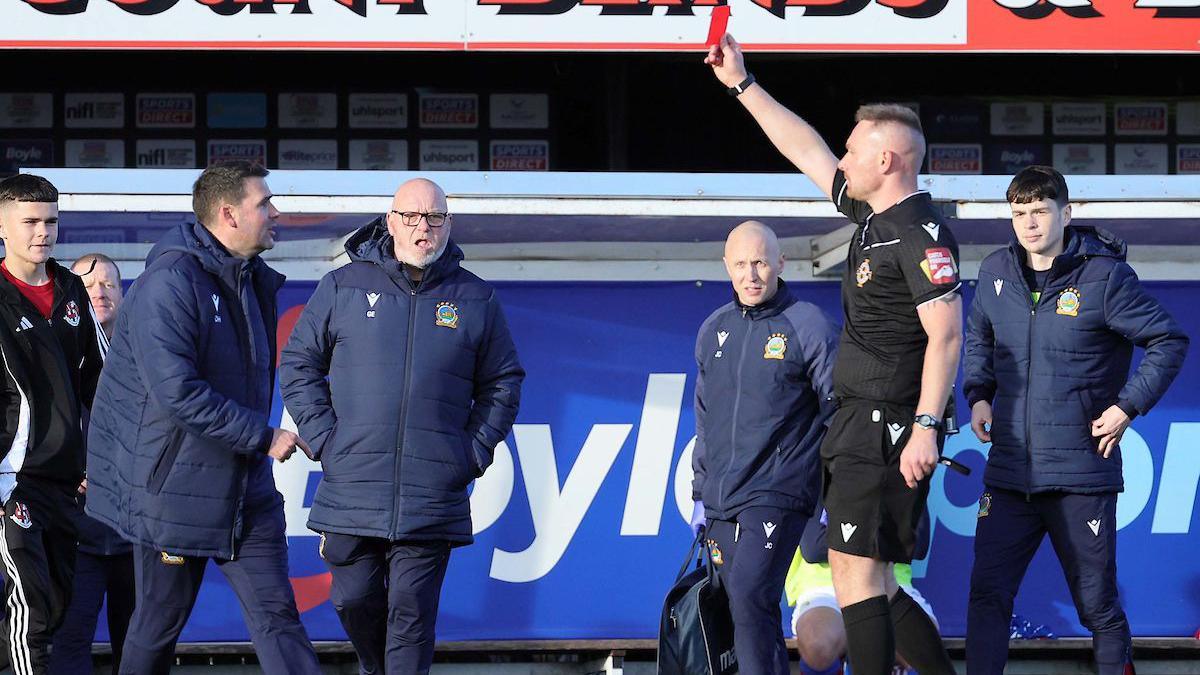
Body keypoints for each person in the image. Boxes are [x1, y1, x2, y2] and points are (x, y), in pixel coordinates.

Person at [706, 34, 960, 675]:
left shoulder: (918, 232)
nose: (843, 159)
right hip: (857, 421)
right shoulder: (874, 219)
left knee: (856, 578)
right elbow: (807, 149)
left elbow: (947, 335)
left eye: (855, 150)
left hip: (888, 423)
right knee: (867, 577)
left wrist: (926, 425)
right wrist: (742, 85)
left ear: (889, 160)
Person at [84, 161, 321, 675]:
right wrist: (262, 436)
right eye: (265, 203)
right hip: (177, 496)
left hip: (246, 493)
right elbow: (178, 393)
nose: (275, 212)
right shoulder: (169, 282)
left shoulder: (252, 278)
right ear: (229, 213)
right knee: (156, 626)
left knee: (279, 620)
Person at [279, 177, 524, 675]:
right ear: (390, 221)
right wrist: (327, 438)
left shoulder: (474, 298)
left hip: (432, 490)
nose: (423, 228)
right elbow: (298, 363)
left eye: (434, 218)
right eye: (411, 216)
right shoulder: (343, 286)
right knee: (353, 599)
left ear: (448, 225)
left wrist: (472, 452)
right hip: (353, 482)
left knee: (411, 613)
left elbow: (503, 381)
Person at [963, 165, 1188, 675]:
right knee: (987, 596)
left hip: (1079, 476)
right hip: (1009, 475)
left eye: (1040, 212)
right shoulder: (996, 272)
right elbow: (980, 336)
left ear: (1067, 213)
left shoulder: (1105, 277)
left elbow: (1168, 341)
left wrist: (1127, 406)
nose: (1030, 224)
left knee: (1097, 608)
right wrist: (978, 394)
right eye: (1019, 213)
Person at [689, 220, 839, 675]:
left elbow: (840, 411)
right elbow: (705, 416)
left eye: (759, 262)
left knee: (753, 597)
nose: (750, 274)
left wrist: (835, 489)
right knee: (742, 607)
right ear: (726, 267)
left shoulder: (808, 323)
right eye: (740, 264)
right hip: (721, 498)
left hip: (779, 489)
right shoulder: (713, 328)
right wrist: (700, 493)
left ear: (780, 262)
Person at [0, 174, 105, 674]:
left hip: (66, 481)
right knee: (33, 608)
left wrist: (99, 459)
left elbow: (102, 386)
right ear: (2, 225)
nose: (43, 232)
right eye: (31, 222)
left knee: (54, 608)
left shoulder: (70, 289)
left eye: (51, 221)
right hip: (11, 480)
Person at [48, 253, 135, 675]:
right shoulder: (54, 356)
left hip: (135, 531)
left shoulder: (147, 360)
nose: (99, 292)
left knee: (139, 645)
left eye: (109, 285)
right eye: (88, 286)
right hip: (74, 531)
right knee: (69, 642)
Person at [786, 501, 936, 675]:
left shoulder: (900, 473)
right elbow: (814, 548)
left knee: (918, 645)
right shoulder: (817, 474)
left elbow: (916, 543)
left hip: (889, 586)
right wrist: (880, 533)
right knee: (818, 646)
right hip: (824, 589)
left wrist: (849, 537)